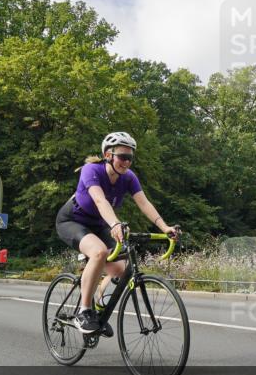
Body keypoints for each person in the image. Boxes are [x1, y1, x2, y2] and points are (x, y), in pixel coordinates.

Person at [55, 131, 179, 335]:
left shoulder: (129, 177)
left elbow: (144, 203)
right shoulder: (91, 170)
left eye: (130, 158)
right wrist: (115, 224)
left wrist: (165, 228)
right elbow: (99, 200)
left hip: (99, 224)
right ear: (108, 155)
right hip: (72, 221)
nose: (127, 162)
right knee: (99, 252)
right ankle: (84, 312)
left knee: (123, 269)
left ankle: (99, 303)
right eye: (122, 157)